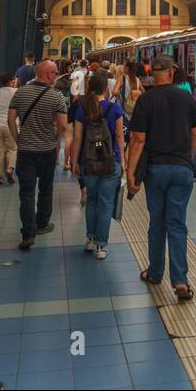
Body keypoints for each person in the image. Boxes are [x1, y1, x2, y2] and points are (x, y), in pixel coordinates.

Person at [125, 53, 196, 301]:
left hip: (155, 170)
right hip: (181, 169)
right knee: (177, 224)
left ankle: (156, 273)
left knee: (157, 222)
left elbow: (138, 139)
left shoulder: (146, 100)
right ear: (172, 72)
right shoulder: (187, 97)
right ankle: (180, 281)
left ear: (152, 74)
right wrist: (187, 160)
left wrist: (130, 171)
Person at [8, 60, 69, 250]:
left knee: (26, 193)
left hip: (26, 151)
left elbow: (10, 120)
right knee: (45, 188)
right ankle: (42, 224)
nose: (56, 76)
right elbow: (64, 125)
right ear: (48, 74)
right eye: (55, 73)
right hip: (47, 151)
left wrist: (18, 139)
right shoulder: (56, 96)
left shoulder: (20, 92)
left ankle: (28, 233)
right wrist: (56, 141)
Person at [69, 71, 125, 259]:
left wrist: (74, 161)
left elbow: (77, 137)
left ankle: (91, 239)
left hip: (88, 161)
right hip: (111, 161)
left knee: (91, 201)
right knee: (106, 203)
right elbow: (119, 136)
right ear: (105, 88)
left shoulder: (82, 108)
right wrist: (122, 161)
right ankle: (102, 246)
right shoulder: (114, 109)